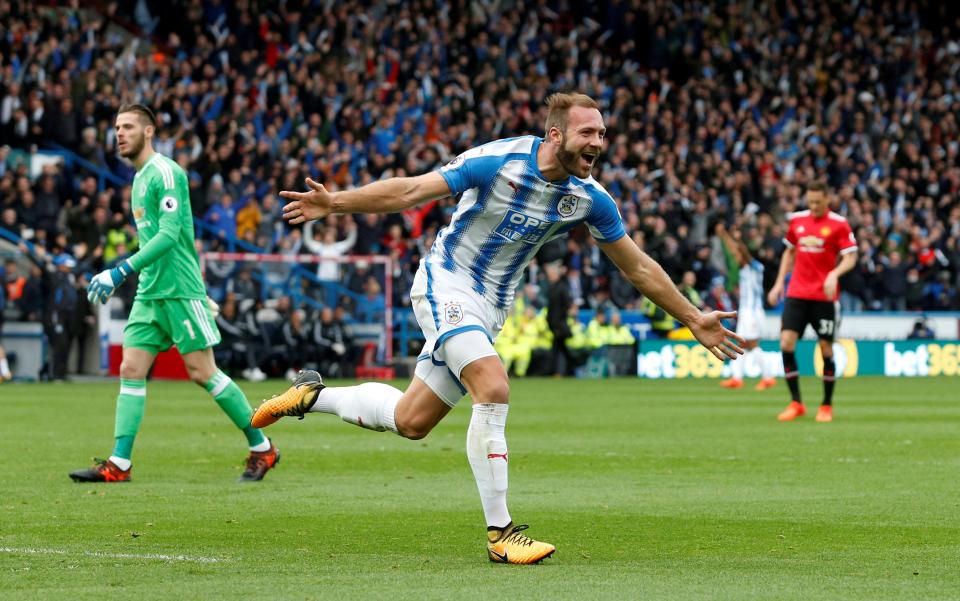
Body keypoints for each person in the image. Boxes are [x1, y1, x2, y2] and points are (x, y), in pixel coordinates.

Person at [252, 93, 744, 564]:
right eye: (588, 132)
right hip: (445, 283)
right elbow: (410, 190)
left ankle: (312, 395)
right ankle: (501, 533)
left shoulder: (590, 198)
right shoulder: (498, 161)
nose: (599, 142)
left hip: (490, 308)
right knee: (493, 385)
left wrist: (693, 316)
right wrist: (337, 203)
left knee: (411, 421)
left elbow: (637, 267)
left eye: (603, 133)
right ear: (555, 134)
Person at [70, 103, 279, 483]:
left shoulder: (166, 173)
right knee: (131, 369)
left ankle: (263, 447)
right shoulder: (137, 179)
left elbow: (169, 236)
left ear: (148, 131)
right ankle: (119, 464)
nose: (119, 133)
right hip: (150, 292)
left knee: (203, 372)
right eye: (117, 127)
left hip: (179, 290)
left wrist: (120, 270)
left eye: (128, 127)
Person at [766, 182, 857, 423]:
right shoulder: (797, 221)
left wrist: (834, 274)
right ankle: (796, 402)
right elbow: (789, 252)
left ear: (828, 199)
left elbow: (850, 257)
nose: (814, 206)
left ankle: (826, 405)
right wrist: (778, 284)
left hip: (824, 297)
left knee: (826, 349)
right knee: (786, 343)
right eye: (810, 202)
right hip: (796, 292)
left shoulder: (839, 224)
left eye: (818, 202)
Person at [716, 224, 776, 391]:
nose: (737, 258)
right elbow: (737, 253)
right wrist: (725, 236)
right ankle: (737, 377)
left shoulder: (754, 267)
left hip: (753, 311)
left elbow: (741, 252)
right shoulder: (749, 268)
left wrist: (734, 238)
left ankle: (768, 377)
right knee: (741, 344)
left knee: (752, 344)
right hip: (748, 311)